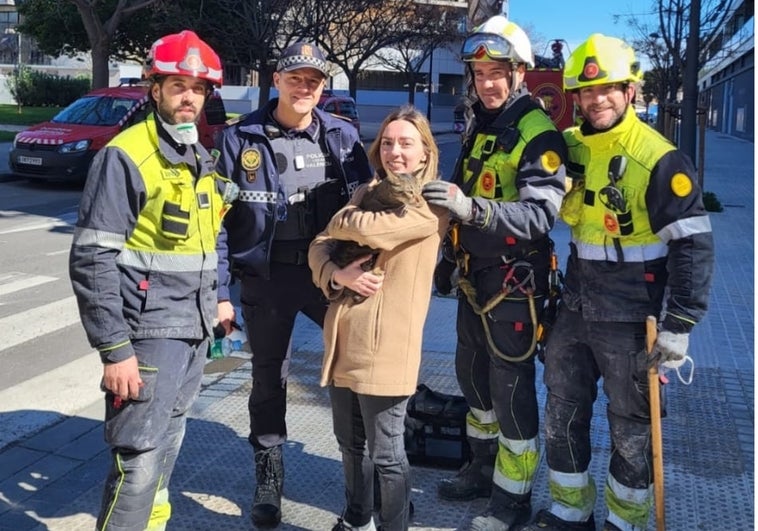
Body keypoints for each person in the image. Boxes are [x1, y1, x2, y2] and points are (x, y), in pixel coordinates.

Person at [520, 34, 715, 531]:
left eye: (609, 88)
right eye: (587, 92)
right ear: (576, 97)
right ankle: (569, 511)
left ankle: (625, 521)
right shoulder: (568, 147)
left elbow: (693, 245)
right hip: (576, 303)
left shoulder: (660, 157)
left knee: (633, 427)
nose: (597, 99)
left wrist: (681, 323)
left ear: (630, 91)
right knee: (562, 410)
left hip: (635, 312)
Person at [69, 31, 236, 531]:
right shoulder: (127, 155)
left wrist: (220, 302)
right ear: (154, 87)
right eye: (178, 85)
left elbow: (210, 239)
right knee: (138, 462)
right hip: (147, 338)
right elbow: (92, 261)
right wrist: (115, 349)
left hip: (191, 331)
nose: (189, 97)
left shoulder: (197, 158)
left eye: (198, 89)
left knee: (164, 456)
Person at [214, 41, 372, 527]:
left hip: (331, 277)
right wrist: (221, 295)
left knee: (355, 374)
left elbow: (370, 211)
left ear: (324, 87)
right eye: (296, 78)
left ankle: (364, 486)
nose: (305, 87)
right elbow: (217, 224)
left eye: (314, 80)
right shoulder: (240, 140)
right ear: (277, 80)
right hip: (269, 278)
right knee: (268, 380)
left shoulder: (343, 137)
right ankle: (268, 480)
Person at [421, 14, 567, 531]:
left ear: (520, 72)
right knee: (473, 378)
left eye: (497, 72)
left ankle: (512, 499)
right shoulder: (481, 121)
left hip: (513, 282)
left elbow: (538, 215)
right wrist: (445, 258)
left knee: (509, 387)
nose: (487, 83)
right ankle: (480, 469)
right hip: (472, 277)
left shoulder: (537, 132)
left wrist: (472, 210)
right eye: (480, 74)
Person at [308, 105, 448, 531]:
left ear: (425, 152)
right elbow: (320, 244)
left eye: (406, 143)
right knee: (350, 445)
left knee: (386, 454)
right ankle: (356, 520)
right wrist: (337, 273)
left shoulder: (430, 202)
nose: (394, 152)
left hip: (387, 347)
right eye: (387, 143)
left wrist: (341, 221)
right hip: (342, 340)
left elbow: (372, 232)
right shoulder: (366, 190)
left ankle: (393, 525)